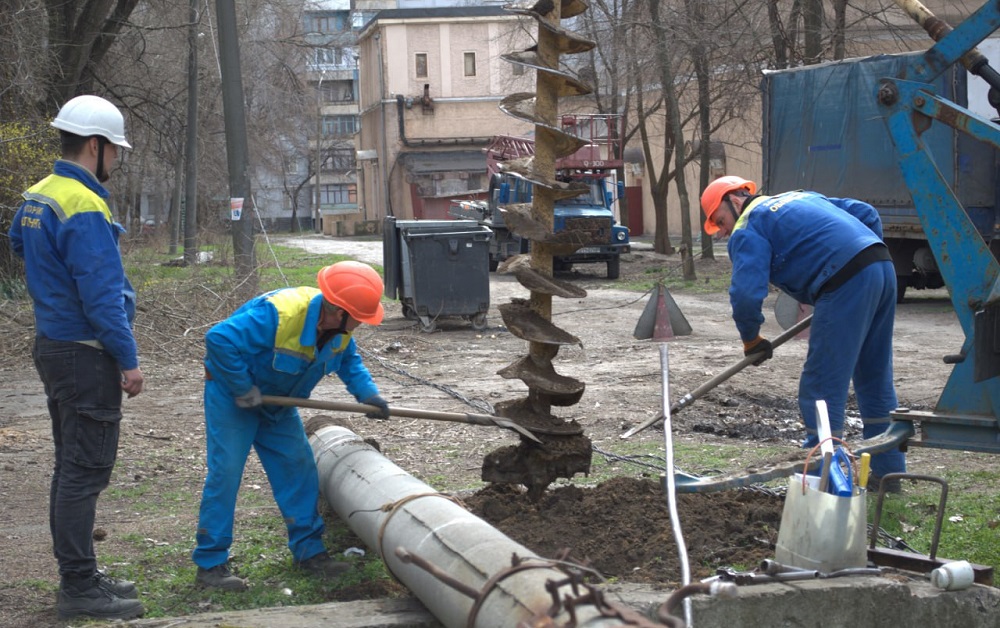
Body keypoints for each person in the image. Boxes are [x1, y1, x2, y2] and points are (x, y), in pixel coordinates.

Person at [8, 95, 145, 620]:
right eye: (116, 151)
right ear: (96, 145)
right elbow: (103, 296)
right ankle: (79, 588)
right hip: (86, 354)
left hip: (53, 345)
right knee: (84, 471)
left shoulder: (39, 195)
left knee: (71, 467)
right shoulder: (85, 205)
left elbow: (18, 245)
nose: (117, 162)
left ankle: (82, 574)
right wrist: (128, 361)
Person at [192, 261, 392, 590]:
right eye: (360, 316)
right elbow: (218, 339)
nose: (363, 323)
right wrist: (243, 388)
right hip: (234, 399)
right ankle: (210, 565)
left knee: (298, 470)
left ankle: (309, 553)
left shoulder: (341, 332)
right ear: (337, 310)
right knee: (225, 474)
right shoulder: (279, 313)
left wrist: (369, 395)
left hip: (278, 404)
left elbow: (349, 362)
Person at [700, 176, 905, 492]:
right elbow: (866, 214)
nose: (723, 230)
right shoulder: (800, 197)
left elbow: (745, 295)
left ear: (735, 200)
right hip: (881, 267)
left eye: (721, 221)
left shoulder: (748, 226)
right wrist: (861, 260)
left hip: (843, 282)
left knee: (820, 387)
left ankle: (824, 483)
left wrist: (751, 340)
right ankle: (889, 478)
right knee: (874, 378)